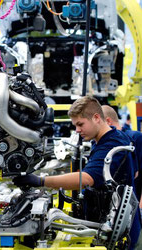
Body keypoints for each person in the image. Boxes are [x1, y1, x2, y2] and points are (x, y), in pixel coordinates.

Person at [13, 96, 140, 249]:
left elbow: (87, 178)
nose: (77, 130)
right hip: (109, 225)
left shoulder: (113, 143)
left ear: (96, 118)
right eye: (75, 125)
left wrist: (41, 181)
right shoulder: (101, 141)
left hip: (120, 235)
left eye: (80, 124)